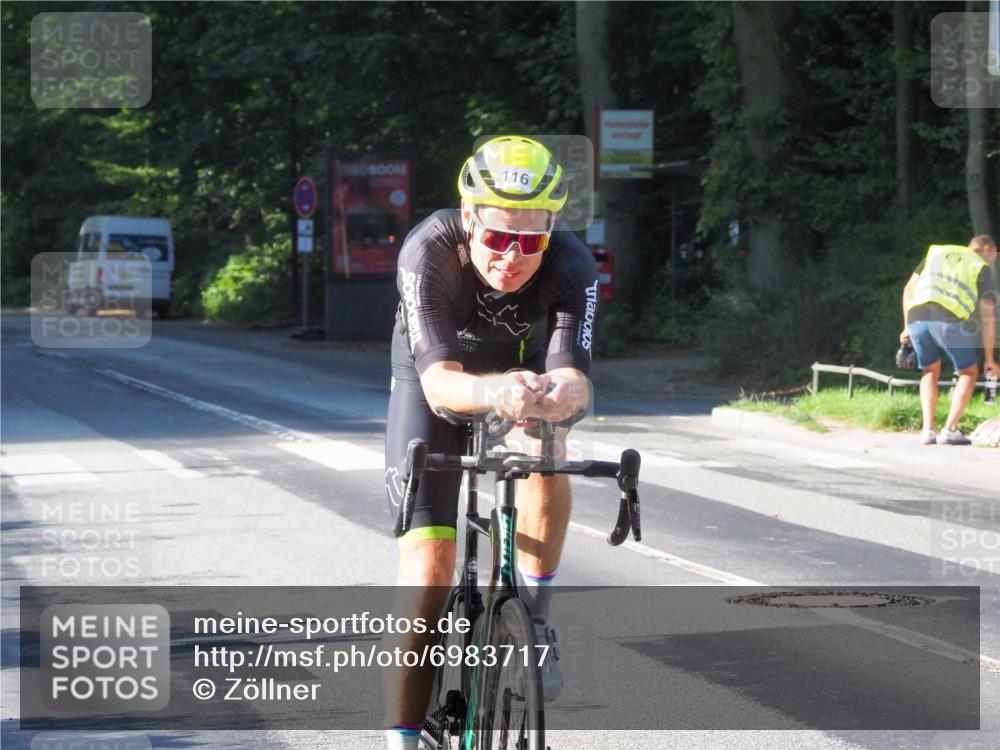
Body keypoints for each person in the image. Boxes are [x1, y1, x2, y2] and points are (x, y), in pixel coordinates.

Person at [382, 136, 598, 749]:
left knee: (548, 445)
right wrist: (497, 391)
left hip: (520, 377)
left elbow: (575, 377)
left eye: (531, 241)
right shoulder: (429, 249)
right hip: (436, 377)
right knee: (429, 568)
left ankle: (535, 618)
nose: (512, 256)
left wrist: (557, 397)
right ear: (469, 217)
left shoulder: (571, 266)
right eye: (499, 237)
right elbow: (440, 386)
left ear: (551, 230)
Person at [900, 235, 997, 445]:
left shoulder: (936, 252)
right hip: (948, 319)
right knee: (968, 372)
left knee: (929, 370)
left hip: (916, 317)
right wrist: (990, 358)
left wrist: (906, 325)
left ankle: (927, 431)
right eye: (994, 257)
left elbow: (908, 288)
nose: (993, 262)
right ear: (988, 250)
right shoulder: (980, 265)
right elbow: (987, 314)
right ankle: (950, 429)